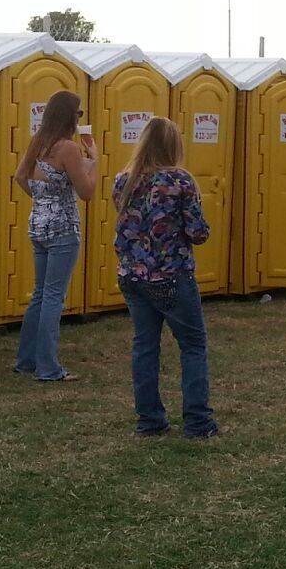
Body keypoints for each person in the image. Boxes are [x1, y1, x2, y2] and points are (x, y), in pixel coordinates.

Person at [112, 118, 215, 438]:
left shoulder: (122, 180)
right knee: (193, 346)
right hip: (172, 275)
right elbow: (197, 233)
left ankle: (150, 420)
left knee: (145, 346)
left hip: (132, 275)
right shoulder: (180, 180)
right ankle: (198, 423)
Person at [12, 90, 97, 381]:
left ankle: (26, 360)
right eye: (79, 113)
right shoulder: (69, 148)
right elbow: (86, 192)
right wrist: (94, 160)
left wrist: (42, 197)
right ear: (69, 116)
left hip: (38, 224)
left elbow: (20, 176)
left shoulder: (40, 141)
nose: (80, 118)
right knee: (53, 297)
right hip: (63, 228)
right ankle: (49, 367)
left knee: (39, 294)